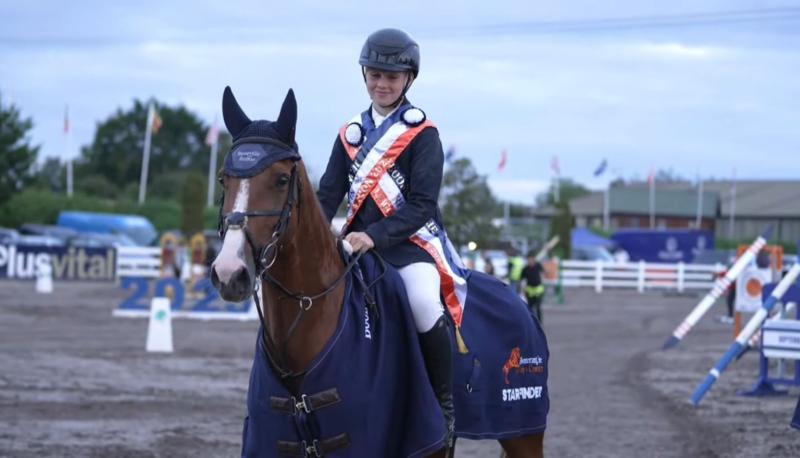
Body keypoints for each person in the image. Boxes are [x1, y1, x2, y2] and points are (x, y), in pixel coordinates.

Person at [316, 28, 455, 443]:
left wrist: (374, 235)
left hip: (408, 247)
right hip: (354, 248)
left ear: (408, 80)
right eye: (375, 75)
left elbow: (422, 204)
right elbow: (327, 195)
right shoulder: (350, 135)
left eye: (392, 78)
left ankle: (443, 405)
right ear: (364, 76)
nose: (382, 84)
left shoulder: (423, 134)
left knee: (422, 303)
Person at [520, 251, 545, 323]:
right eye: (529, 260)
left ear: (534, 260)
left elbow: (543, 273)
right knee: (530, 308)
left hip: (538, 290)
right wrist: (522, 290)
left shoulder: (538, 266)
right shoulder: (525, 269)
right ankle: (532, 322)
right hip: (529, 291)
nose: (530, 261)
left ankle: (540, 322)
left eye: (532, 259)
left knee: (538, 307)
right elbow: (522, 280)